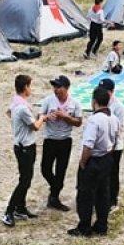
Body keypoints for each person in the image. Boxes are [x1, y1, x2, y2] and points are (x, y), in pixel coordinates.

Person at [68, 87, 120, 237]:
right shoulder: (114, 118)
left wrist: (83, 162)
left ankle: (84, 227)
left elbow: (88, 145)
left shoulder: (94, 120)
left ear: (94, 102)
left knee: (85, 194)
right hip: (107, 158)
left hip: (94, 160)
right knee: (103, 193)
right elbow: (116, 141)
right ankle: (101, 224)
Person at [4, 74, 46, 227]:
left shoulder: (16, 102)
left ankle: (20, 208)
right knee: (25, 181)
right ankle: (9, 211)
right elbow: (35, 126)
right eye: (30, 86)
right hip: (26, 148)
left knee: (25, 178)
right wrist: (42, 117)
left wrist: (18, 125)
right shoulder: (22, 107)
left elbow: (8, 113)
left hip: (20, 145)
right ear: (25, 87)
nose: (31, 89)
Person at [40, 75, 83, 211]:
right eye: (54, 86)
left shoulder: (74, 103)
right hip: (50, 139)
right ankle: (56, 188)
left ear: (66, 88)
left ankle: (54, 197)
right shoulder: (48, 100)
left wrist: (66, 117)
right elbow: (39, 117)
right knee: (45, 168)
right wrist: (46, 117)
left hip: (65, 140)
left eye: (58, 87)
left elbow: (79, 122)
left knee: (61, 170)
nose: (56, 89)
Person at [98, 78, 124, 213]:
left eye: (105, 91)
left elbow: (119, 129)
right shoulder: (99, 103)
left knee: (112, 173)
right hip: (101, 146)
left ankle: (112, 200)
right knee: (101, 174)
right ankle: (101, 199)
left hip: (114, 146)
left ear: (112, 91)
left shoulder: (118, 107)